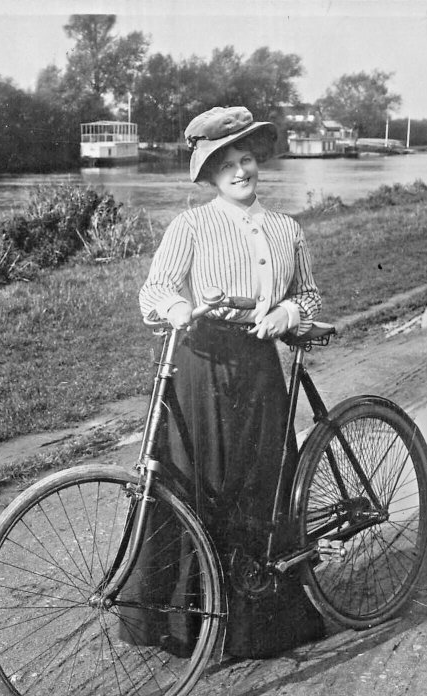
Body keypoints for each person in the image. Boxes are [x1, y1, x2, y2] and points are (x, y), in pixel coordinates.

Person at [133, 106, 325, 658]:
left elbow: (309, 297)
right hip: (202, 368)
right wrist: (176, 309)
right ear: (211, 175)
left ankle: (258, 627)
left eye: (246, 160)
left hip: (260, 369)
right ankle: (191, 628)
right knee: (199, 490)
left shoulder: (287, 229)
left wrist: (290, 312)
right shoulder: (192, 225)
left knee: (261, 489)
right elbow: (155, 291)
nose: (241, 171)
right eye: (227, 165)